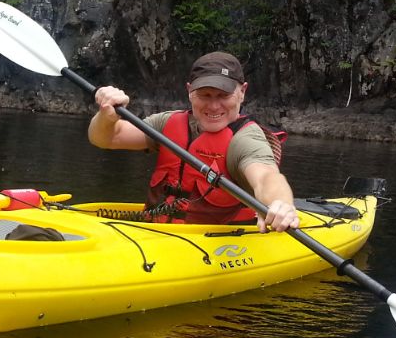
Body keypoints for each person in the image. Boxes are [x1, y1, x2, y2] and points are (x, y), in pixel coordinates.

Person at [88, 51, 300, 232]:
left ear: (242, 92)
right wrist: (107, 114)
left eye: (223, 95)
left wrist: (280, 204)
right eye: (205, 95)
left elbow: (266, 177)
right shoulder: (167, 122)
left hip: (216, 245)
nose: (214, 106)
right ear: (190, 91)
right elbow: (107, 138)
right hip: (154, 232)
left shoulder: (245, 139)